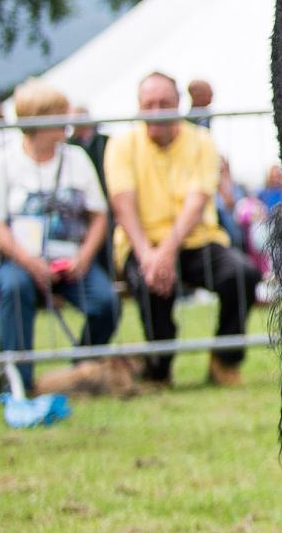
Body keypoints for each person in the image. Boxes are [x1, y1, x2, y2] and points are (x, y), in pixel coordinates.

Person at [105, 71, 261, 387]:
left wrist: (166, 252)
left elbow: (197, 200)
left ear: (178, 104)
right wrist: (150, 255)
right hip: (141, 244)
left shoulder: (201, 142)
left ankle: (225, 359)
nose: (157, 110)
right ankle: (159, 370)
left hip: (197, 240)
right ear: (138, 107)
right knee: (152, 287)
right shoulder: (121, 144)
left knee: (242, 273)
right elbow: (123, 203)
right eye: (149, 103)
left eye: (164, 102)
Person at [0, 78, 121, 394]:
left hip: (71, 261)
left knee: (106, 302)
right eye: (58, 115)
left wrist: (83, 258)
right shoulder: (3, 162)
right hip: (20, 260)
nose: (66, 121)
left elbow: (98, 214)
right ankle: (18, 381)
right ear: (36, 120)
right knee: (14, 288)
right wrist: (30, 262)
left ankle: (82, 370)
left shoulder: (76, 159)